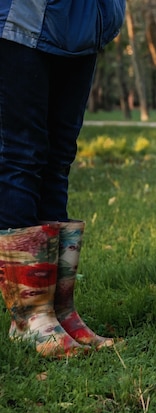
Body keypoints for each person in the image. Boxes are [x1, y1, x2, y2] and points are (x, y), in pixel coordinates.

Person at [0, 1, 126, 357]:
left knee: (58, 161)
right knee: (23, 156)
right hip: (25, 21)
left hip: (84, 27)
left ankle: (59, 312)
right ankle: (29, 317)